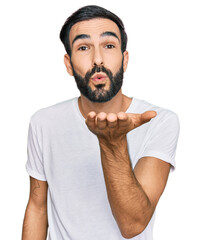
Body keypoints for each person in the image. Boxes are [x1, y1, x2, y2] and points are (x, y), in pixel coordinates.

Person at [22, 5, 180, 240]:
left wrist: (113, 142)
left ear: (124, 59)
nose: (97, 59)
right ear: (68, 63)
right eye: (83, 47)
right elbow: (37, 206)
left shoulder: (159, 121)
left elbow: (133, 224)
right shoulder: (43, 122)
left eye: (108, 46)